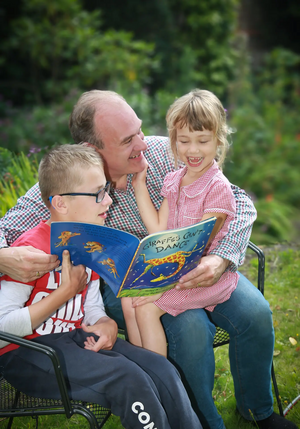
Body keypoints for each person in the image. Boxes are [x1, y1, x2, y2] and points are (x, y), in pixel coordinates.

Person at [0, 90, 295, 429]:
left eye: (139, 130)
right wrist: (2, 256)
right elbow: (6, 228)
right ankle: (198, 419)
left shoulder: (163, 153)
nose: (142, 143)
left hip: (196, 266)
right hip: (121, 284)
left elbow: (239, 201)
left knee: (255, 312)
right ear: (93, 150)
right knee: (190, 327)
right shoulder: (68, 185)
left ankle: (259, 411)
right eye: (128, 140)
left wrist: (222, 258)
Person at [0, 144, 203, 429]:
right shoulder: (31, 251)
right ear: (61, 203)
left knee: (161, 369)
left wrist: (105, 322)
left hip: (76, 341)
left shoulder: (89, 245)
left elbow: (92, 308)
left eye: (106, 190)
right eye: (98, 193)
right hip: (28, 355)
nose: (108, 200)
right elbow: (2, 331)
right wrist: (63, 295)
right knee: (127, 378)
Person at [122, 89, 238, 358]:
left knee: (146, 308)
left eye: (203, 141)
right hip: (175, 268)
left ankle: (161, 381)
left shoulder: (218, 188)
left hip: (201, 276)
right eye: (184, 141)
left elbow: (195, 249)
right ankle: (142, 371)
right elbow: (159, 231)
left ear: (218, 141)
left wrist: (160, 288)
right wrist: (140, 185)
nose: (193, 150)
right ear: (173, 140)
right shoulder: (174, 179)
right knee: (129, 301)